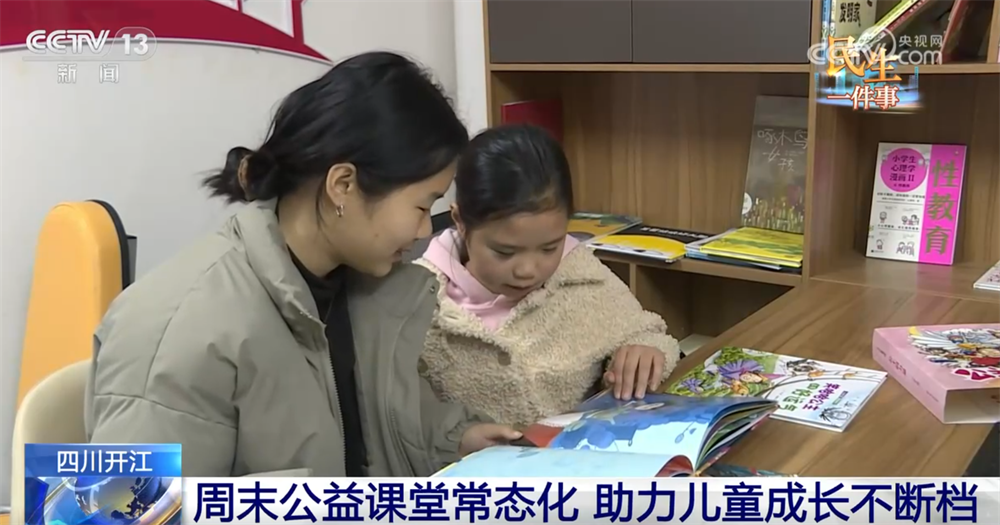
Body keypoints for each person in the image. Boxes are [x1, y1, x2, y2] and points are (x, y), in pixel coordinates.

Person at [84, 51, 521, 478]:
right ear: (343, 185)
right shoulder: (180, 329)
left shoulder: (360, 290)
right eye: (422, 206)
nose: (426, 229)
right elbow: (116, 508)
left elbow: (365, 432)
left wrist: (455, 442)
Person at [414, 124, 681, 428]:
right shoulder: (419, 305)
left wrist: (646, 351)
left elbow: (645, 331)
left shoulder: (581, 275)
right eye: (504, 252)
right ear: (460, 221)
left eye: (549, 247)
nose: (528, 270)